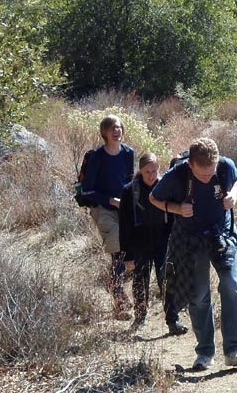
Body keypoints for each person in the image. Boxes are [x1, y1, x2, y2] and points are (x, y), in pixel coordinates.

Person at [149, 138, 237, 370]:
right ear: (191, 165)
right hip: (191, 240)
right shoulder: (177, 175)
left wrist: (233, 194)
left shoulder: (224, 166)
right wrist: (176, 209)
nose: (208, 178)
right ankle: (205, 352)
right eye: (202, 175)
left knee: (231, 286)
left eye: (211, 173)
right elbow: (153, 198)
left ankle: (235, 349)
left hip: (222, 234)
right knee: (199, 295)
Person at [118, 152, 189, 335]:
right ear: (140, 171)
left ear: (159, 168)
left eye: (155, 170)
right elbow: (124, 225)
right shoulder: (129, 191)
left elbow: (174, 216)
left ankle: (173, 321)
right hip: (139, 242)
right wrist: (127, 255)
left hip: (163, 240)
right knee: (140, 282)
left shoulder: (165, 186)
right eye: (147, 171)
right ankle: (140, 318)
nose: (151, 175)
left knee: (166, 280)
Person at [81, 114, 135, 320]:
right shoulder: (97, 157)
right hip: (102, 209)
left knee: (128, 252)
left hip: (124, 208)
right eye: (112, 128)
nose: (117, 131)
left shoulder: (128, 153)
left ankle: (123, 294)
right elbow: (87, 191)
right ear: (104, 132)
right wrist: (110, 201)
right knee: (118, 249)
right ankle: (119, 299)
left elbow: (130, 181)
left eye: (119, 127)